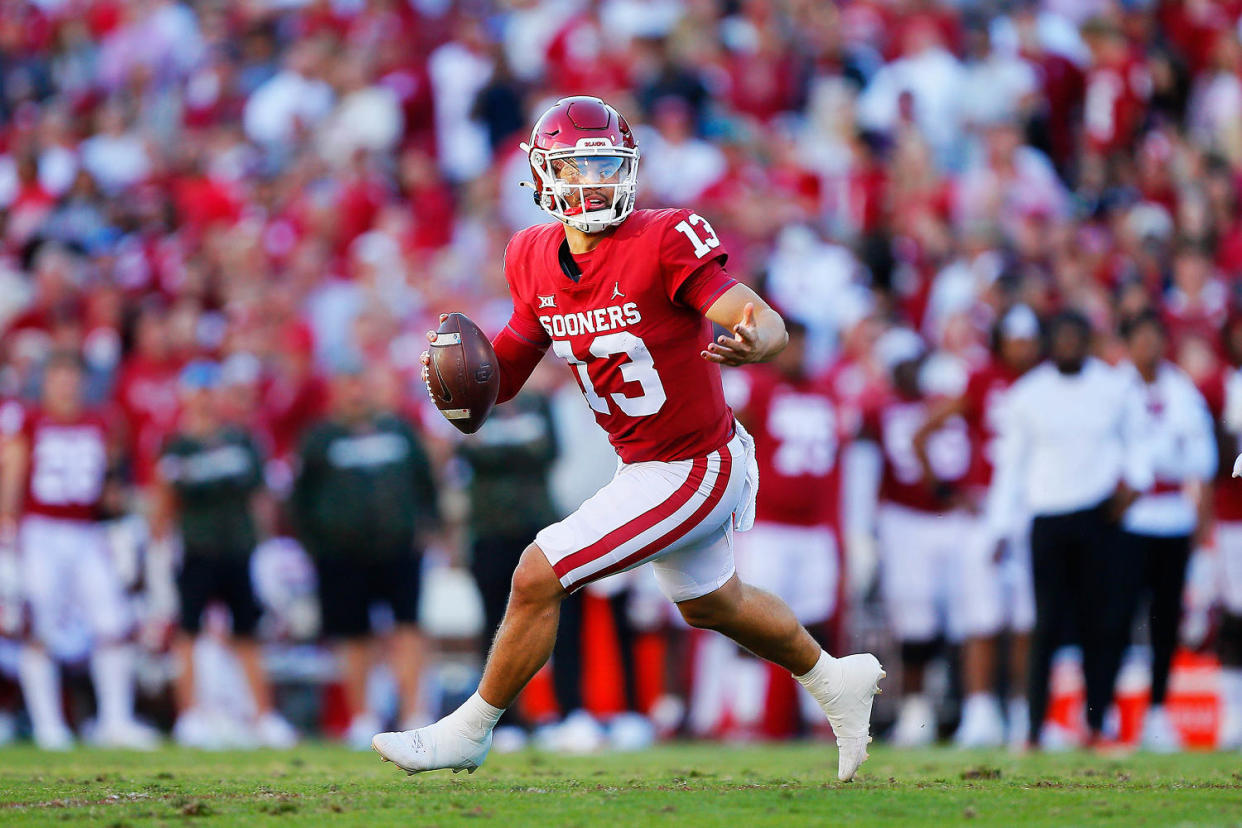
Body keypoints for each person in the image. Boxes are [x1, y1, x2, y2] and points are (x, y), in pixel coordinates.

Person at [372, 96, 884, 782]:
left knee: (538, 571)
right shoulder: (530, 255)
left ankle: (470, 730)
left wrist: (757, 336)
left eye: (605, 165)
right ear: (541, 177)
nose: (593, 182)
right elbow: (511, 369)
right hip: (642, 464)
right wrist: (467, 382)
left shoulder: (666, 237)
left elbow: (758, 316)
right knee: (713, 604)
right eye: (576, 167)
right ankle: (834, 679)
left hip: (695, 463)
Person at [984, 310, 1154, 749]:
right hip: (1048, 519)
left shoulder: (1115, 387)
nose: (1068, 347)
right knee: (1046, 625)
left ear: (1089, 341)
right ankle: (1034, 729)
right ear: (1049, 344)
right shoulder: (1028, 394)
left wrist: (1134, 485)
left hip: (1101, 516)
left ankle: (1097, 724)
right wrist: (999, 526)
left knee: (1103, 623)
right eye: (1060, 340)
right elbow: (1011, 466)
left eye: (1076, 339)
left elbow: (1139, 442)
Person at [0, 351, 153, 748]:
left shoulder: (101, 421)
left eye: (72, 376)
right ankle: (50, 726)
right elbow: (13, 469)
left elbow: (111, 481)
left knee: (112, 620)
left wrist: (116, 503)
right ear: (46, 381)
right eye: (59, 376)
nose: (66, 384)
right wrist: (8, 521)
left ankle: (115, 721)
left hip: (85, 531)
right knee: (40, 624)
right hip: (41, 529)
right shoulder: (30, 420)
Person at [290, 357, 440, 748]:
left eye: (361, 382)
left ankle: (414, 713)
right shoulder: (320, 438)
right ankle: (362, 718)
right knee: (353, 635)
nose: (356, 391)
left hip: (399, 547)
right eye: (347, 382)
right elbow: (301, 498)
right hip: (341, 553)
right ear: (335, 389)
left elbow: (426, 483)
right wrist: (316, 546)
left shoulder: (398, 431)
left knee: (407, 629)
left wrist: (427, 529)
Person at [911, 305, 1043, 749]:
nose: (1023, 347)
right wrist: (948, 489)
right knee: (981, 616)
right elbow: (924, 431)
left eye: (1030, 338)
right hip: (986, 505)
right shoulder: (984, 378)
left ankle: (1026, 711)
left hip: (1033, 507)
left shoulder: (1048, 382)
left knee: (1027, 618)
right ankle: (981, 711)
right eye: (1016, 337)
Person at [150, 360, 297, 749]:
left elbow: (259, 497)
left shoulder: (240, 439)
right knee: (188, 632)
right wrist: (158, 545)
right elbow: (164, 500)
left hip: (237, 548)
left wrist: (267, 546)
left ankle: (264, 716)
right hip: (196, 547)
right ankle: (190, 715)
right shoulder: (175, 444)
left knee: (247, 633)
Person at [717, 319, 847, 737]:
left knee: (816, 623)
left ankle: (817, 719)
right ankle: (748, 714)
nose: (796, 355)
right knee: (752, 620)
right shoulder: (758, 386)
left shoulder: (827, 391)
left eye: (802, 346)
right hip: (768, 525)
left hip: (814, 529)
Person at [856, 327, 975, 747]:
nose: (908, 372)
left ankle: (956, 708)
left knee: (958, 617)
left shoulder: (939, 403)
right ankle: (915, 708)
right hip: (902, 518)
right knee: (914, 618)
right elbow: (866, 471)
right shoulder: (878, 409)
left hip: (948, 519)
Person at [1117, 311, 1216, 751]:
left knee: (1164, 620)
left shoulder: (1181, 390)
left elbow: (1204, 457)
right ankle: (1108, 709)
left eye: (1155, 338)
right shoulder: (1113, 388)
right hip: (1127, 518)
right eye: (1140, 338)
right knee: (1117, 617)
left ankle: (1157, 711)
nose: (1148, 347)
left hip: (1172, 515)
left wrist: (1159, 460)